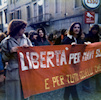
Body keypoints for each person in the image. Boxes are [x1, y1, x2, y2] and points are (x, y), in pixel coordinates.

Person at [1, 19, 32, 100]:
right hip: (13, 72)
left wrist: (28, 49)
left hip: (25, 71)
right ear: (16, 28)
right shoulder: (6, 42)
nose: (24, 29)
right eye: (22, 28)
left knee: (25, 95)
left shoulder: (26, 39)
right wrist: (10, 51)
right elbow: (3, 59)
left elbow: (33, 55)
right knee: (14, 96)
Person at [61, 22, 82, 100]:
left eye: (78, 27)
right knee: (72, 84)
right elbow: (61, 49)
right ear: (72, 28)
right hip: (68, 66)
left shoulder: (79, 39)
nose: (77, 29)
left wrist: (87, 45)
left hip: (75, 66)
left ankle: (66, 98)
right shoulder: (67, 38)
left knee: (69, 86)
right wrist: (70, 46)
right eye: (75, 27)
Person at [85, 24, 101, 92]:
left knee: (98, 73)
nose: (95, 31)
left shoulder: (98, 36)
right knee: (87, 72)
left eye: (96, 30)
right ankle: (86, 87)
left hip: (97, 57)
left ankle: (98, 88)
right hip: (89, 57)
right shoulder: (88, 36)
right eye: (94, 29)